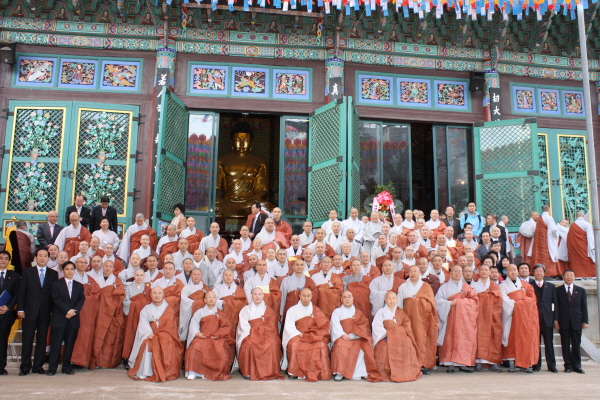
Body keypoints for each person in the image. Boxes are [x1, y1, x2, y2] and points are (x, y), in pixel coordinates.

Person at [128, 287, 184, 382]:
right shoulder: (146, 309)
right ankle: (146, 372)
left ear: (163, 295)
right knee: (147, 343)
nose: (157, 295)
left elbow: (172, 325)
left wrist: (161, 332)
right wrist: (149, 333)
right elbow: (143, 324)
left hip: (166, 334)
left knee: (164, 342)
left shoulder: (169, 308)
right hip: (150, 334)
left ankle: (163, 371)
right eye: (154, 293)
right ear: (150, 295)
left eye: (159, 293)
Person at [17, 248, 59, 375]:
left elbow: (54, 295)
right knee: (27, 340)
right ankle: (25, 367)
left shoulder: (53, 274)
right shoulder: (27, 272)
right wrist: (20, 309)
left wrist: (52, 311)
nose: (42, 258)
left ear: (48, 258)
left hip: (45, 313)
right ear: (35, 258)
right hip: (29, 311)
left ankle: (38, 366)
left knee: (42, 340)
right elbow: (22, 292)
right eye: (40, 255)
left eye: (45, 256)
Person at [436, 264, 478, 373]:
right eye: (454, 271)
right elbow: (438, 302)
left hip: (464, 319)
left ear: (462, 273)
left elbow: (474, 302)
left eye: (459, 271)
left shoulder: (467, 288)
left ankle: (462, 363)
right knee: (449, 339)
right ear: (450, 273)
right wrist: (450, 303)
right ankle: (449, 363)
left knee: (463, 339)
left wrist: (459, 302)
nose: (457, 273)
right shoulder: (444, 287)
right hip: (449, 317)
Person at [281, 288, 331, 381]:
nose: (306, 298)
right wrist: (299, 334)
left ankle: (319, 373)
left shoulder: (316, 310)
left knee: (320, 345)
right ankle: (294, 372)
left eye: (308, 296)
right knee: (294, 344)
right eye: (304, 296)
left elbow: (324, 325)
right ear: (299, 296)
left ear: (311, 297)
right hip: (297, 335)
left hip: (312, 335)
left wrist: (313, 334)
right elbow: (289, 326)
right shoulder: (292, 310)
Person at [330, 291, 381, 382]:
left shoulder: (358, 312)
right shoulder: (337, 312)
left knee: (366, 345)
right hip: (343, 337)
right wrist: (342, 334)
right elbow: (335, 325)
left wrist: (355, 335)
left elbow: (364, 326)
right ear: (341, 300)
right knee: (340, 345)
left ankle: (361, 372)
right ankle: (340, 372)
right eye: (345, 297)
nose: (347, 299)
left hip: (357, 337)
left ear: (353, 299)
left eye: (349, 297)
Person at [184, 290, 235, 381]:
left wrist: (217, 335)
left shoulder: (221, 313)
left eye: (213, 297)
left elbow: (227, 327)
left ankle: (213, 372)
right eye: (209, 297)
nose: (211, 299)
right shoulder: (199, 312)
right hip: (202, 336)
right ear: (205, 300)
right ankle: (193, 372)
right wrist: (197, 333)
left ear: (216, 300)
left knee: (220, 347)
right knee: (195, 346)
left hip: (215, 337)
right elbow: (194, 324)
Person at [372, 291, 422, 382]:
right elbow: (376, 326)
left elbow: (407, 324)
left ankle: (405, 371)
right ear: (385, 300)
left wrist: (397, 332)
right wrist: (388, 334)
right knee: (383, 347)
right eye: (389, 298)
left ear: (397, 300)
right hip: (385, 337)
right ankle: (387, 372)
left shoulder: (401, 312)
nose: (391, 300)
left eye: (393, 298)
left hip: (400, 336)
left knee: (409, 345)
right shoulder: (381, 312)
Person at [397, 265, 438, 374]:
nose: (413, 273)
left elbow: (431, 303)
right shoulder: (403, 287)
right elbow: (399, 304)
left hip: (423, 319)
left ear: (419, 273)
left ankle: (424, 364)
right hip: (408, 318)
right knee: (410, 340)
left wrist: (417, 302)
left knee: (423, 340)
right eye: (411, 271)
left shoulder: (426, 286)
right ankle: (411, 364)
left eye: (415, 271)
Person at [236, 287, 284, 380]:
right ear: (251, 296)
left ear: (263, 296)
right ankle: (248, 371)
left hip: (266, 334)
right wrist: (254, 332)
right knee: (248, 343)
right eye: (255, 294)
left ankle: (270, 371)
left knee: (271, 344)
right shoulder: (245, 309)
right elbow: (243, 325)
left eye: (259, 294)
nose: (257, 296)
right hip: (250, 333)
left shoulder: (269, 310)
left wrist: (260, 331)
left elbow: (271, 327)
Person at [47, 261, 85, 375]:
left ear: (74, 271)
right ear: (63, 271)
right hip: (59, 318)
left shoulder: (79, 285)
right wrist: (67, 311)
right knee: (55, 345)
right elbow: (56, 299)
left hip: (73, 319)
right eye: (67, 269)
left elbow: (81, 300)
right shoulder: (56, 284)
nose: (69, 271)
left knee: (69, 345)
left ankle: (67, 367)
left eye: (71, 269)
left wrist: (73, 312)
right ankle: (52, 368)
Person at [500, 264, 539, 373]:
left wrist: (519, 304)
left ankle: (525, 364)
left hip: (525, 318)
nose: (513, 272)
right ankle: (511, 363)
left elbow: (532, 299)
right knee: (511, 338)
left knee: (525, 339)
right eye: (510, 270)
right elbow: (504, 300)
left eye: (514, 269)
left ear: (518, 272)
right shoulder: (502, 286)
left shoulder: (526, 285)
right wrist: (517, 305)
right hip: (511, 316)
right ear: (506, 272)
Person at [88, 260, 126, 369]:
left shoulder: (117, 281)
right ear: (103, 267)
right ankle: (96, 361)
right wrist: (106, 295)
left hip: (112, 313)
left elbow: (120, 295)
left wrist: (107, 296)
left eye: (110, 266)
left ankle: (107, 362)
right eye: (106, 266)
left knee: (110, 337)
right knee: (97, 336)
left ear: (113, 269)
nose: (108, 268)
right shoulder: (96, 280)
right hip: (99, 313)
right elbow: (94, 295)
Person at [470, 263, 503, 372]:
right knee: (478, 337)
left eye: (486, 270)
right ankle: (478, 361)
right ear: (478, 272)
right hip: (478, 315)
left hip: (492, 315)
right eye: (482, 270)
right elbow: (471, 300)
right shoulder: (474, 285)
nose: (484, 272)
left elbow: (498, 300)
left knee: (494, 336)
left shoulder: (494, 286)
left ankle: (492, 362)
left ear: (489, 272)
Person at [556, 269, 588, 374]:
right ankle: (568, 365)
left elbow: (584, 307)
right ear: (563, 277)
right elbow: (555, 307)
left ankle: (577, 366)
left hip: (577, 321)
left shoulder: (581, 290)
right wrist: (556, 320)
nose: (569, 277)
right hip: (563, 321)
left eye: (571, 275)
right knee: (565, 344)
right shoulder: (558, 290)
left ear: (574, 277)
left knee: (576, 344)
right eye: (567, 275)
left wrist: (585, 321)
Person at [529, 264, 558, 373]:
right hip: (535, 319)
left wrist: (555, 318)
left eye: (541, 271)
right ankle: (536, 365)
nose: (539, 273)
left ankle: (552, 365)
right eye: (537, 271)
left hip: (548, 319)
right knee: (536, 343)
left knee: (549, 343)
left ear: (544, 273)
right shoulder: (530, 285)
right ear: (533, 273)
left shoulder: (551, 286)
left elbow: (555, 304)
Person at [121, 269, 151, 364]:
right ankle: (127, 357)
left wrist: (137, 303)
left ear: (144, 277)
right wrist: (136, 304)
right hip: (131, 316)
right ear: (134, 276)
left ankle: (140, 357)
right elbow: (125, 302)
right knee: (130, 335)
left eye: (141, 275)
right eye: (137, 275)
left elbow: (149, 302)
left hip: (143, 316)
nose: (139, 277)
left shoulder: (148, 289)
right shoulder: (129, 288)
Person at [0, 251, 20, 375]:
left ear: (9, 261)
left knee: (2, 340)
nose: (3, 260)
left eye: (6, 258)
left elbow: (17, 294)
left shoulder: (14, 276)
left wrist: (8, 307)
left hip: (6, 314)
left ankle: (1, 366)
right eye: (1, 258)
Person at [179, 268, 211, 342]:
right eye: (194, 274)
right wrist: (196, 303)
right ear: (191, 275)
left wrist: (199, 303)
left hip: (202, 313)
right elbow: (184, 300)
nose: (196, 276)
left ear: (201, 276)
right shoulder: (186, 288)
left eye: (198, 275)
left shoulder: (205, 288)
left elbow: (210, 299)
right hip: (190, 313)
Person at [529, 206, 560, 277]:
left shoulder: (539, 218)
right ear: (549, 210)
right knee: (548, 255)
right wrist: (557, 235)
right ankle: (549, 273)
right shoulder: (549, 218)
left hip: (539, 240)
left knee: (538, 255)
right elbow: (554, 230)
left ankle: (537, 271)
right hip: (547, 240)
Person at [567, 211, 596, 277]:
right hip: (584, 246)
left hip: (574, 247)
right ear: (583, 216)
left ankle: (577, 274)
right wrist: (592, 247)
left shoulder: (572, 225)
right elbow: (590, 237)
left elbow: (569, 238)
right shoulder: (587, 224)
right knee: (587, 260)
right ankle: (589, 275)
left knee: (576, 260)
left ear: (576, 216)